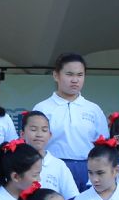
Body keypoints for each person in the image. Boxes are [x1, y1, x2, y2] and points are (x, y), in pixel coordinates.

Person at [33, 53, 110, 189]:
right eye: (69, 74)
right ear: (56, 75)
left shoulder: (93, 109)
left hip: (88, 169)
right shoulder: (42, 108)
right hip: (53, 167)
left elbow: (104, 144)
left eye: (80, 75)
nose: (75, 80)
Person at [20, 110, 80, 200]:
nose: (39, 134)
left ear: (50, 135)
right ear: (22, 134)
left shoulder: (59, 165)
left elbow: (72, 198)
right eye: (33, 130)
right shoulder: (15, 161)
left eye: (44, 130)